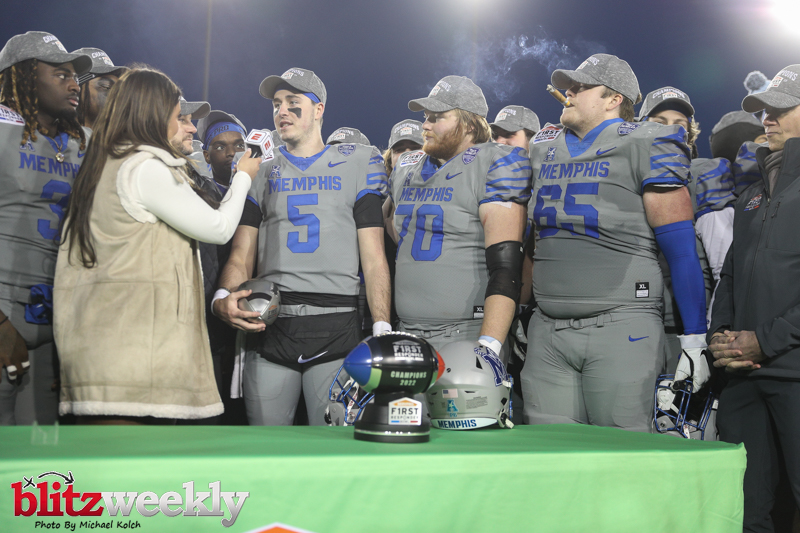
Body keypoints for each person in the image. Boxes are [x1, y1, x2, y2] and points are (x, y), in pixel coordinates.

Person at [54, 67, 261, 422]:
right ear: (151, 114)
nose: (192, 128)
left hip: (109, 340)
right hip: (129, 350)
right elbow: (219, 228)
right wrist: (243, 176)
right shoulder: (144, 167)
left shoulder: (111, 159)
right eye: (178, 116)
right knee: (128, 454)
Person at [522, 54, 707, 432]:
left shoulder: (647, 141)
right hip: (547, 330)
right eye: (569, 87)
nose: (569, 93)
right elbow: (530, 243)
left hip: (621, 325)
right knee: (549, 454)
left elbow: (681, 250)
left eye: (581, 87)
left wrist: (694, 340)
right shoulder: (542, 147)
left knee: (621, 454)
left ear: (614, 99)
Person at [213, 67, 391, 426]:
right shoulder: (259, 168)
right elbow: (241, 253)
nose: (282, 111)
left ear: (319, 109)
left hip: (336, 325)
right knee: (267, 446)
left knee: (333, 449)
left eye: (293, 102)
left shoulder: (358, 162)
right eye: (277, 104)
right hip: (271, 323)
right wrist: (223, 297)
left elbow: (374, 258)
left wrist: (382, 327)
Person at [709, 64, 800, 532]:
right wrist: (720, 335)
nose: (768, 118)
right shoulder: (750, 196)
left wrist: (765, 340)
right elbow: (729, 277)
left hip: (793, 370)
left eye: (782, 108)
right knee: (742, 510)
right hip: (743, 376)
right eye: (765, 109)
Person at [387, 75, 531, 358]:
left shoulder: (495, 162)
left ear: (469, 124)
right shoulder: (406, 167)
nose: (425, 125)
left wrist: (489, 345)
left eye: (437, 117)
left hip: (466, 333)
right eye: (426, 116)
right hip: (405, 333)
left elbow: (506, 269)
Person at [0, 31, 91, 425]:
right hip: (5, 310)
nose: (74, 85)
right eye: (60, 74)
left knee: (42, 455)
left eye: (75, 76)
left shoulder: (82, 143)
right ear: (24, 76)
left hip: (57, 319)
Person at [72, 47, 127, 130]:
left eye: (118, 90)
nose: (117, 96)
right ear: (76, 87)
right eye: (106, 87)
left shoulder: (124, 136)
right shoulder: (55, 136)